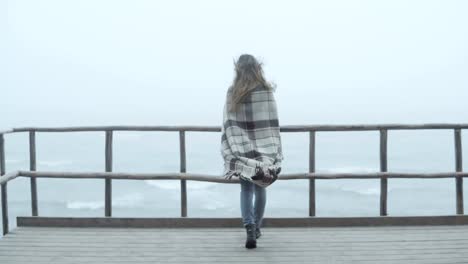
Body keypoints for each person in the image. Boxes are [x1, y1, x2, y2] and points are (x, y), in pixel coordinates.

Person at [220, 54, 283, 249]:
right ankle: (256, 227)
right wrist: (273, 148)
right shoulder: (266, 91)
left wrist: (235, 145)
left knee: (246, 188)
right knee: (261, 186)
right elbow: (272, 124)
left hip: (242, 149)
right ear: (257, 68)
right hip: (265, 148)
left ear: (238, 70)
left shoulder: (233, 92)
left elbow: (229, 123)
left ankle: (249, 227)